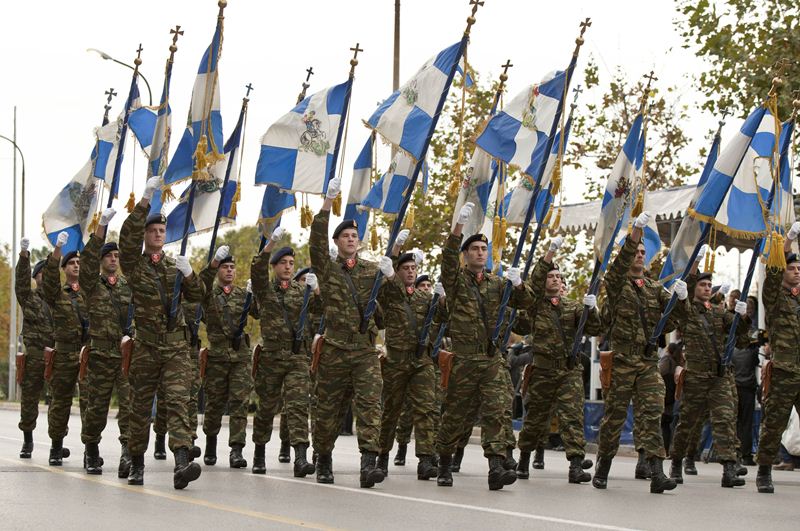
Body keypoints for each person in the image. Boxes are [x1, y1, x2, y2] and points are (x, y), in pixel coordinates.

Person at [435, 201, 531, 491]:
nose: (480, 253)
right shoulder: (456, 282)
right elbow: (447, 263)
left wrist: (520, 285)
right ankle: (444, 462)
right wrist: (458, 230)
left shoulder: (498, 284)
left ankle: (495, 467)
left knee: (497, 411)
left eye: (483, 250)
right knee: (456, 414)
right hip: (465, 359)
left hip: (492, 360)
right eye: (474, 249)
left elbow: (528, 306)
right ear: (466, 255)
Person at [119, 176, 204, 489]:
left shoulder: (175, 266)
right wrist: (145, 201)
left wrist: (191, 274)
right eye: (153, 231)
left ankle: (182, 462)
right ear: (145, 235)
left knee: (179, 403)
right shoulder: (134, 265)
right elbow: (126, 239)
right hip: (146, 349)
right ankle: (136, 463)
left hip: (176, 349)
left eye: (161, 230)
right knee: (140, 408)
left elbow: (197, 296)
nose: (158, 234)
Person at [592, 212, 680, 494]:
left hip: (647, 362)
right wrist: (635, 235)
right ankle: (603, 467)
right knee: (615, 417)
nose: (640, 255)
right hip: (622, 361)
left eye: (643, 252)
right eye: (636, 251)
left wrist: (683, 298)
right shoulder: (616, 285)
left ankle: (656, 472)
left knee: (651, 415)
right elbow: (616, 270)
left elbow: (675, 319)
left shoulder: (655, 289)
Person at [308, 175, 386, 488]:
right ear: (338, 242)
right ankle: (323, 458)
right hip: (336, 350)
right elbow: (315, 241)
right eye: (346, 236)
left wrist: (392, 276)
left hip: (365, 351)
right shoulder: (327, 269)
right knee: (328, 408)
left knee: (369, 406)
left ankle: (368, 464)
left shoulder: (372, 270)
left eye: (355, 235)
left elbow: (389, 307)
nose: (351, 239)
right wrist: (327, 203)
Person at [515, 236, 601, 483]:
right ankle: (523, 460)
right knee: (535, 418)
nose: (555, 279)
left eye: (558, 277)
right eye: (551, 276)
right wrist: (549, 254)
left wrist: (591, 309)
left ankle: (575, 466)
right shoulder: (534, 305)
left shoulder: (573, 306)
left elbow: (595, 328)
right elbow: (533, 280)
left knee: (572, 416)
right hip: (542, 370)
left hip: (568, 371)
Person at [668, 248, 750, 488]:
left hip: (719, 376)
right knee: (688, 422)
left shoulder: (717, 312)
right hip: (696, 376)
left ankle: (729, 468)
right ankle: (676, 461)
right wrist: (694, 266)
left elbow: (739, 333)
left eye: (708, 285)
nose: (706, 288)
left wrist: (742, 316)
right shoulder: (687, 311)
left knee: (724, 420)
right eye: (702, 284)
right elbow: (679, 308)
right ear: (694, 287)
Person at [250, 231, 318, 477]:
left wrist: (317, 290)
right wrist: (270, 245)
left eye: (291, 263)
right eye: (284, 263)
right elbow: (256, 271)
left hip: (297, 358)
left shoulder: (304, 293)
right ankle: (259, 452)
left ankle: (301, 457)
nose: (289, 267)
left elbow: (322, 310)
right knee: (266, 408)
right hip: (271, 358)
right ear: (275, 266)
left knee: (299, 406)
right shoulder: (265, 291)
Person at [375, 239, 442, 481]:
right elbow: (383, 285)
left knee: (425, 409)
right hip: (396, 360)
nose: (411, 272)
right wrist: (393, 256)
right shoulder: (391, 294)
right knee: (391, 410)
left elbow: (441, 319)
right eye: (406, 268)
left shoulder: (426, 298)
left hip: (421, 360)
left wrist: (442, 299)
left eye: (414, 268)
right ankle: (381, 457)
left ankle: (425, 460)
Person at [79, 208, 135, 477]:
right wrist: (100, 229)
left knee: (129, 406)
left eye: (116, 256)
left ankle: (127, 453)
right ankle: (91, 450)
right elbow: (87, 261)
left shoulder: (128, 286)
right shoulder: (92, 284)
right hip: (100, 354)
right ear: (102, 261)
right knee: (97, 407)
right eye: (109, 256)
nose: (114, 259)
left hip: (124, 355)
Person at [199, 246, 255, 469]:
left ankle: (236, 450)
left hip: (241, 357)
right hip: (218, 357)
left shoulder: (242, 294)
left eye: (232, 267)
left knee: (240, 403)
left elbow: (259, 312)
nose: (230, 271)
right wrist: (212, 263)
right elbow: (198, 285)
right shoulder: (208, 294)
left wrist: (254, 294)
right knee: (214, 404)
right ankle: (211, 445)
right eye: (225, 267)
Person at [754, 224, 800, 493]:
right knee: (775, 424)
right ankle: (764, 471)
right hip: (783, 370)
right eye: (792, 267)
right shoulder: (774, 298)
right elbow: (771, 275)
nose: (797, 271)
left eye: (799, 268)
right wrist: (788, 242)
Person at [41, 231, 89, 466]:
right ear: (64, 268)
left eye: (79, 263)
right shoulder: (58, 295)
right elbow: (49, 280)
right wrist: (57, 251)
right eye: (71, 263)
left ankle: (91, 450)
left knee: (90, 402)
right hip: (64, 353)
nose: (76, 266)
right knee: (60, 402)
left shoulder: (91, 294)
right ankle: (56, 446)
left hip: (87, 353)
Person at [15, 239, 54, 459]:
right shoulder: (30, 299)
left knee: (58, 402)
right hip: (35, 358)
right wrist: (23, 256)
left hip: (56, 358)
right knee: (29, 400)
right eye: (42, 274)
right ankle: (27, 441)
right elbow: (21, 284)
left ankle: (56, 443)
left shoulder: (61, 299)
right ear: (37, 277)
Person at [732, 295, 760, 466]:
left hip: (735, 386)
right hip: (747, 386)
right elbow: (756, 362)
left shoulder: (732, 345)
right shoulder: (752, 348)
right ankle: (747, 455)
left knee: (734, 422)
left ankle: (734, 454)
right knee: (746, 423)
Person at [658, 342, 683, 455]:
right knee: (668, 426)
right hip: (673, 399)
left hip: (665, 398)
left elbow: (660, 375)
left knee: (663, 425)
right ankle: (667, 450)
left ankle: (663, 450)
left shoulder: (666, 361)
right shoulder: (677, 363)